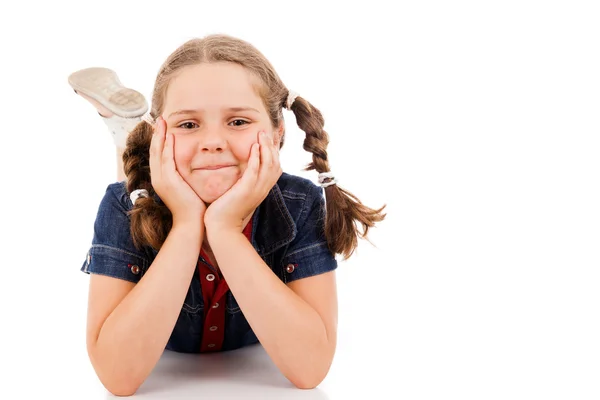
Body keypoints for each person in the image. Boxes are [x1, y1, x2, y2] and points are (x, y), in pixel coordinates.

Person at [71, 34, 386, 396]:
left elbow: (310, 369)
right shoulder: (120, 205)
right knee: (137, 193)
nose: (213, 141)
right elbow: (117, 377)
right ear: (160, 135)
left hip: (190, 170)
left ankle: (129, 130)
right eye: (188, 124)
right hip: (152, 183)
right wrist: (187, 223)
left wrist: (224, 229)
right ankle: (128, 133)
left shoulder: (300, 204)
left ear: (277, 133)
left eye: (237, 122)